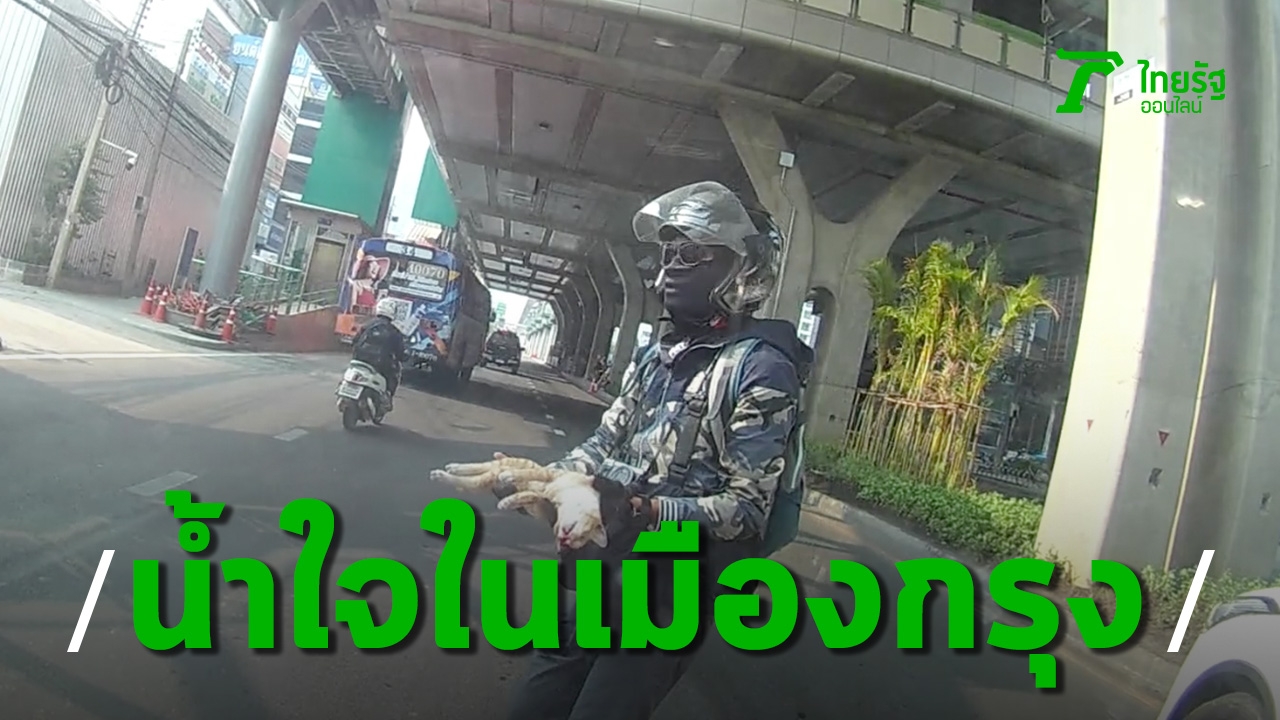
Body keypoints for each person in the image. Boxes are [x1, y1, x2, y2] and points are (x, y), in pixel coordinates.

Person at [501, 181, 814, 720]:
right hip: (608, 568)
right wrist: (548, 477)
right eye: (668, 253)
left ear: (742, 268)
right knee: (535, 703)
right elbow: (606, 441)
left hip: (672, 592)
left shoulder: (762, 367)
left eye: (691, 254)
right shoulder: (658, 356)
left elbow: (747, 510)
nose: (670, 267)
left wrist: (647, 510)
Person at [351, 296, 407, 408]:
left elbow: (355, 341)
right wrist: (403, 358)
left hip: (359, 358)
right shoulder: (394, 331)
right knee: (393, 374)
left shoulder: (367, 325)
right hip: (380, 363)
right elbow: (399, 352)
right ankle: (387, 396)